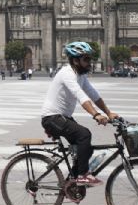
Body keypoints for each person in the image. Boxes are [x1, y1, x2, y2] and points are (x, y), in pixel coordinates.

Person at [40, 41, 119, 186]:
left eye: (90, 59)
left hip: (62, 117)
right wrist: (96, 115)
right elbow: (80, 95)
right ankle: (82, 175)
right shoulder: (66, 73)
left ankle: (71, 181)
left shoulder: (80, 75)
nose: (90, 62)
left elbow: (93, 94)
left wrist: (108, 112)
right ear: (75, 60)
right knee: (84, 135)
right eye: (86, 59)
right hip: (51, 117)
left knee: (86, 149)